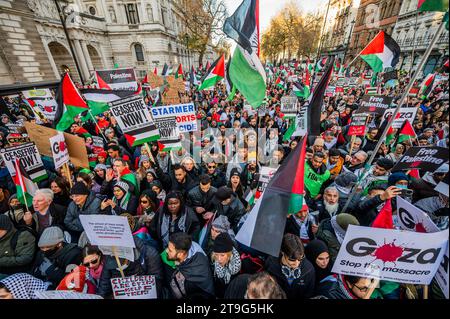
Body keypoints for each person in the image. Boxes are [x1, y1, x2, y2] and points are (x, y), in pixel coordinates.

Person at [163, 232, 214, 299]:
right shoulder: (185, 246)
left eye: (170, 250)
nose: (166, 251)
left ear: (180, 254)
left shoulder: (197, 269)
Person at [264, 233, 315, 299]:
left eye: (300, 259)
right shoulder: (270, 265)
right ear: (282, 252)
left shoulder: (309, 270)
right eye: (292, 260)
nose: (297, 264)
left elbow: (309, 295)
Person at [210, 232, 241, 298]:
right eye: (216, 254)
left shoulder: (237, 265)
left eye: (222, 255)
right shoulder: (212, 260)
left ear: (229, 254)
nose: (219, 259)